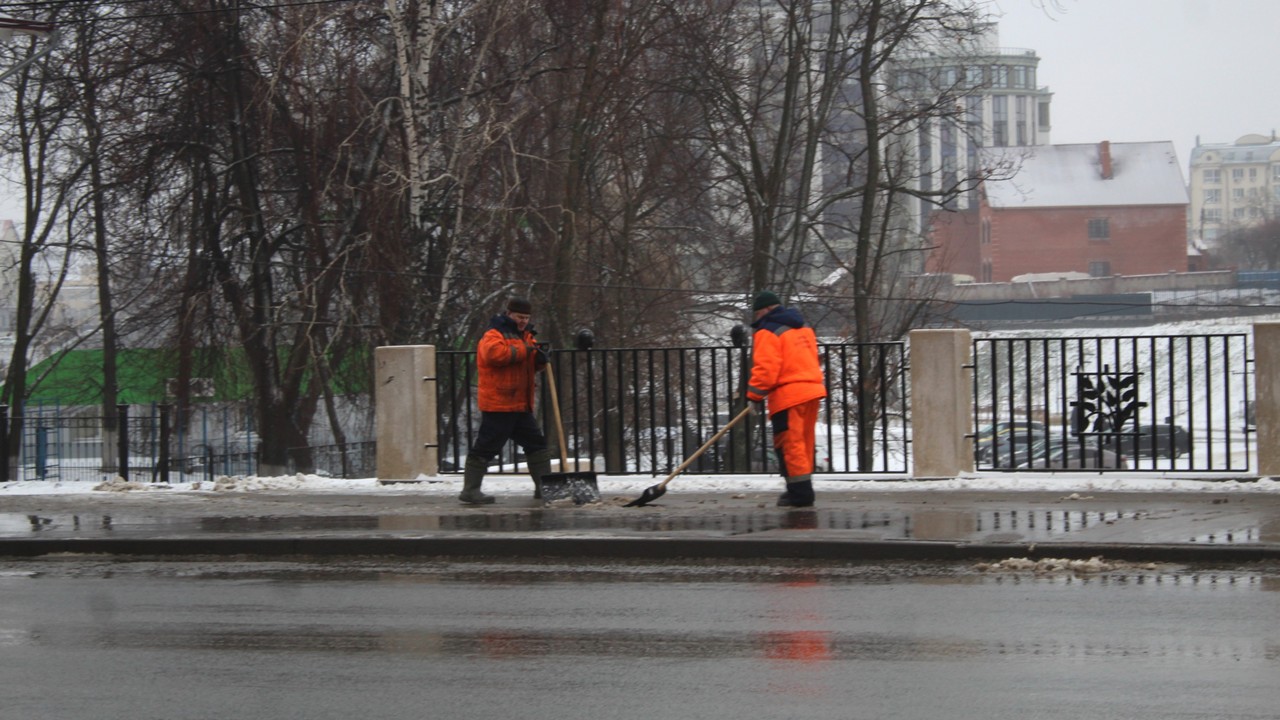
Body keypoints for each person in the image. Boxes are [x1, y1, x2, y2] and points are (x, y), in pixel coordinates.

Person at [461, 297, 556, 504]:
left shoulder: (527, 336)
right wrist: (527, 350)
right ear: (509, 314)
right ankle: (470, 490)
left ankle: (544, 488)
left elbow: (527, 364)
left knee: (536, 444)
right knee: (487, 446)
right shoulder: (493, 334)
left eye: (526, 317)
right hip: (499, 403)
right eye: (520, 317)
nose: (523, 321)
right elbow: (495, 355)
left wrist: (539, 360)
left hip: (519, 403)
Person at [745, 290, 827, 507]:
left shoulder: (767, 331)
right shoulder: (803, 328)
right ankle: (799, 488)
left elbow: (766, 369)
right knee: (804, 442)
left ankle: (800, 494)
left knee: (790, 445)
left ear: (763, 311)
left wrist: (754, 395)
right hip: (812, 390)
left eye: (756, 314)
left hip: (788, 396)